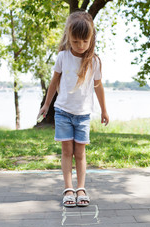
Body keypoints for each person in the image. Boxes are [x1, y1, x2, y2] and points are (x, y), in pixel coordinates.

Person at [38, 11, 109, 207]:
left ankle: (81, 188)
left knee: (81, 153)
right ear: (68, 37)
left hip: (83, 115)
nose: (80, 46)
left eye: (84, 42)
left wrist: (104, 110)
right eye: (76, 41)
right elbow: (54, 83)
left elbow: (98, 87)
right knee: (67, 151)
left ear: (91, 38)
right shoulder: (62, 56)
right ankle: (69, 189)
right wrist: (46, 105)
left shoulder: (94, 61)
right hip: (62, 112)